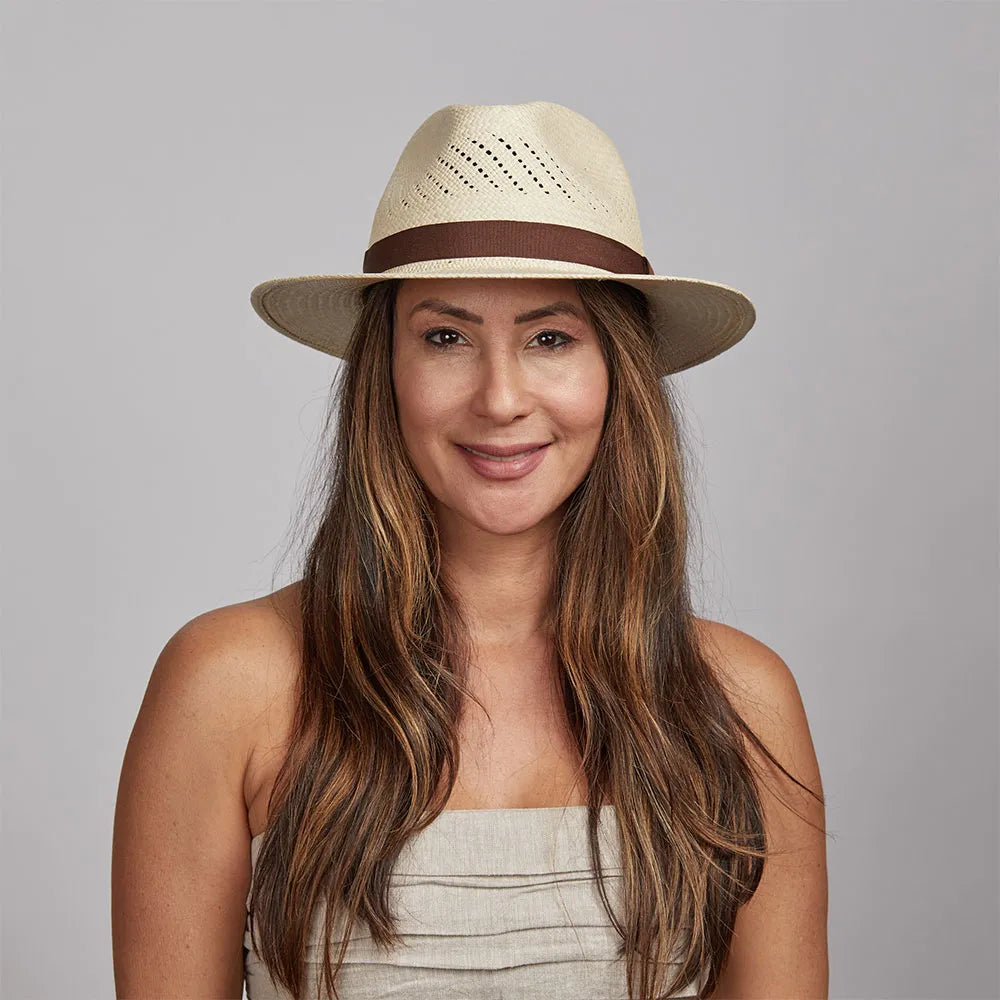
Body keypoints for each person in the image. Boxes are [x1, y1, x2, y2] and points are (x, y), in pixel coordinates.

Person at [111, 101, 828, 1000]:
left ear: (619, 374)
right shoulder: (226, 684)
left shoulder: (741, 704)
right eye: (446, 337)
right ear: (387, 373)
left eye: (551, 338)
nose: (499, 398)